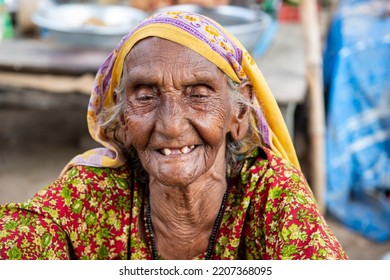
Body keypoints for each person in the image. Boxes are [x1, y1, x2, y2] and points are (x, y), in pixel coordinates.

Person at [0, 10, 347, 260]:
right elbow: (24, 237)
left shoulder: (270, 194)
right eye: (145, 95)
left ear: (238, 113)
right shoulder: (93, 191)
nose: (170, 125)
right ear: (121, 116)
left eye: (198, 94)